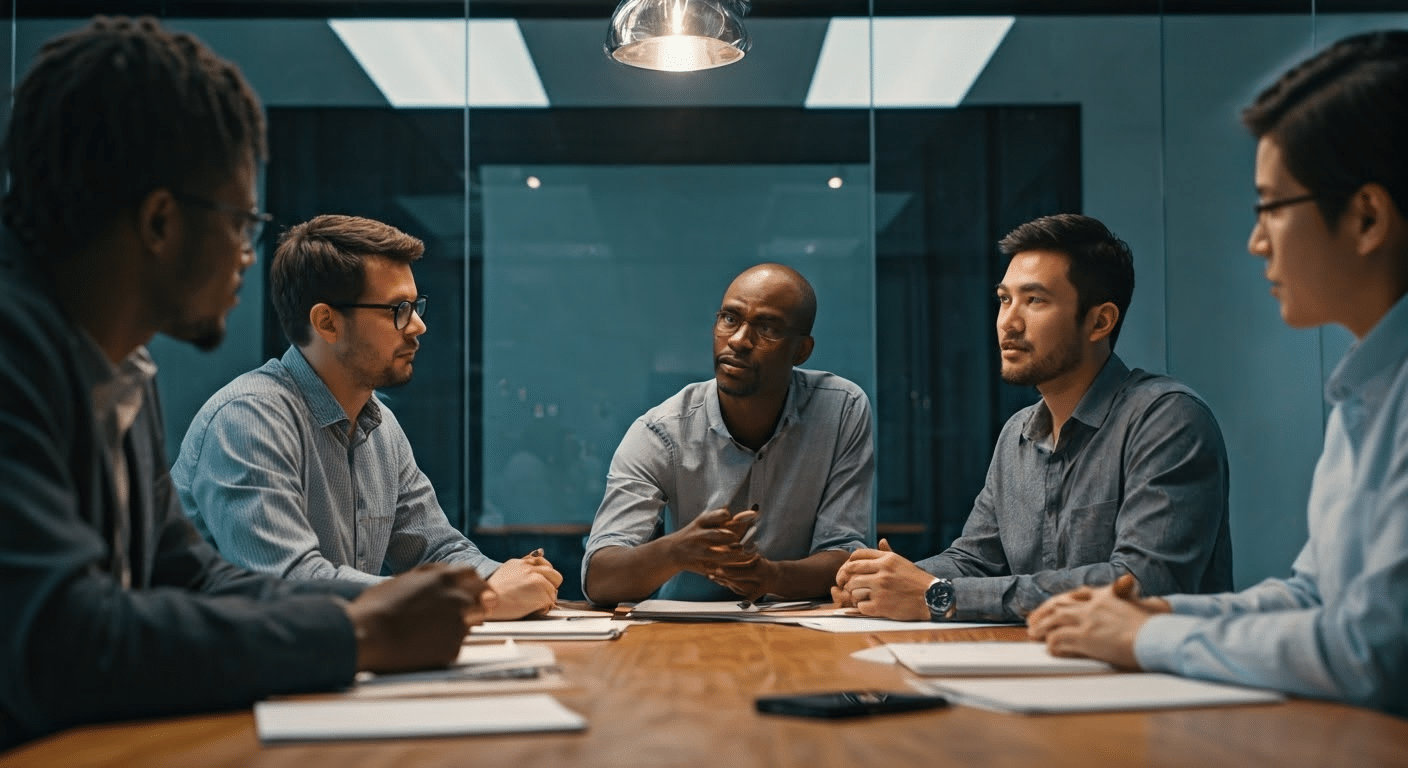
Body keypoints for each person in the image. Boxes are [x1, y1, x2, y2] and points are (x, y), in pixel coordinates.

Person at [0, 17, 493, 751]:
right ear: (161, 220)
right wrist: (354, 631)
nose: (246, 256)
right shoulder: (15, 357)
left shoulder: (120, 373)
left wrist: (364, 621)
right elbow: (62, 640)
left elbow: (193, 580)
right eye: (240, 222)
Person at [1028, 31, 1408, 716]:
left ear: (1367, 216)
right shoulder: (1367, 387)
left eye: (1271, 207)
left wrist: (1152, 634)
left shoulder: (1165, 415)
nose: (1255, 240)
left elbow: (1375, 650)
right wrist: (1152, 614)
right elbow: (1309, 596)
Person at [833, 214, 1233, 623]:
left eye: (1035, 300)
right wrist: (882, 579)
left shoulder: (1167, 419)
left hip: (1150, 678)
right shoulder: (1017, 434)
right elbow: (975, 560)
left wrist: (938, 595)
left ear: (1100, 321)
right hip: (1046, 667)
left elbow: (1143, 582)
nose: (1009, 321)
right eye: (1004, 299)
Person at [172, 214, 561, 619]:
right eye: (398, 309)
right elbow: (290, 582)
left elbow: (437, 549)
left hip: (333, 662)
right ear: (327, 322)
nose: (418, 326)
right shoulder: (248, 420)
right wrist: (483, 598)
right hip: (244, 676)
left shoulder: (380, 424)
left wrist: (514, 579)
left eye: (416, 305)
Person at [582, 263, 872, 604]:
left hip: (801, 629)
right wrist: (676, 552)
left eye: (767, 328)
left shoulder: (841, 409)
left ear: (801, 351)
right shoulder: (661, 431)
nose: (738, 340)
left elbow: (844, 558)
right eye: (730, 319)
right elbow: (599, 580)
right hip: (684, 632)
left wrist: (770, 577)